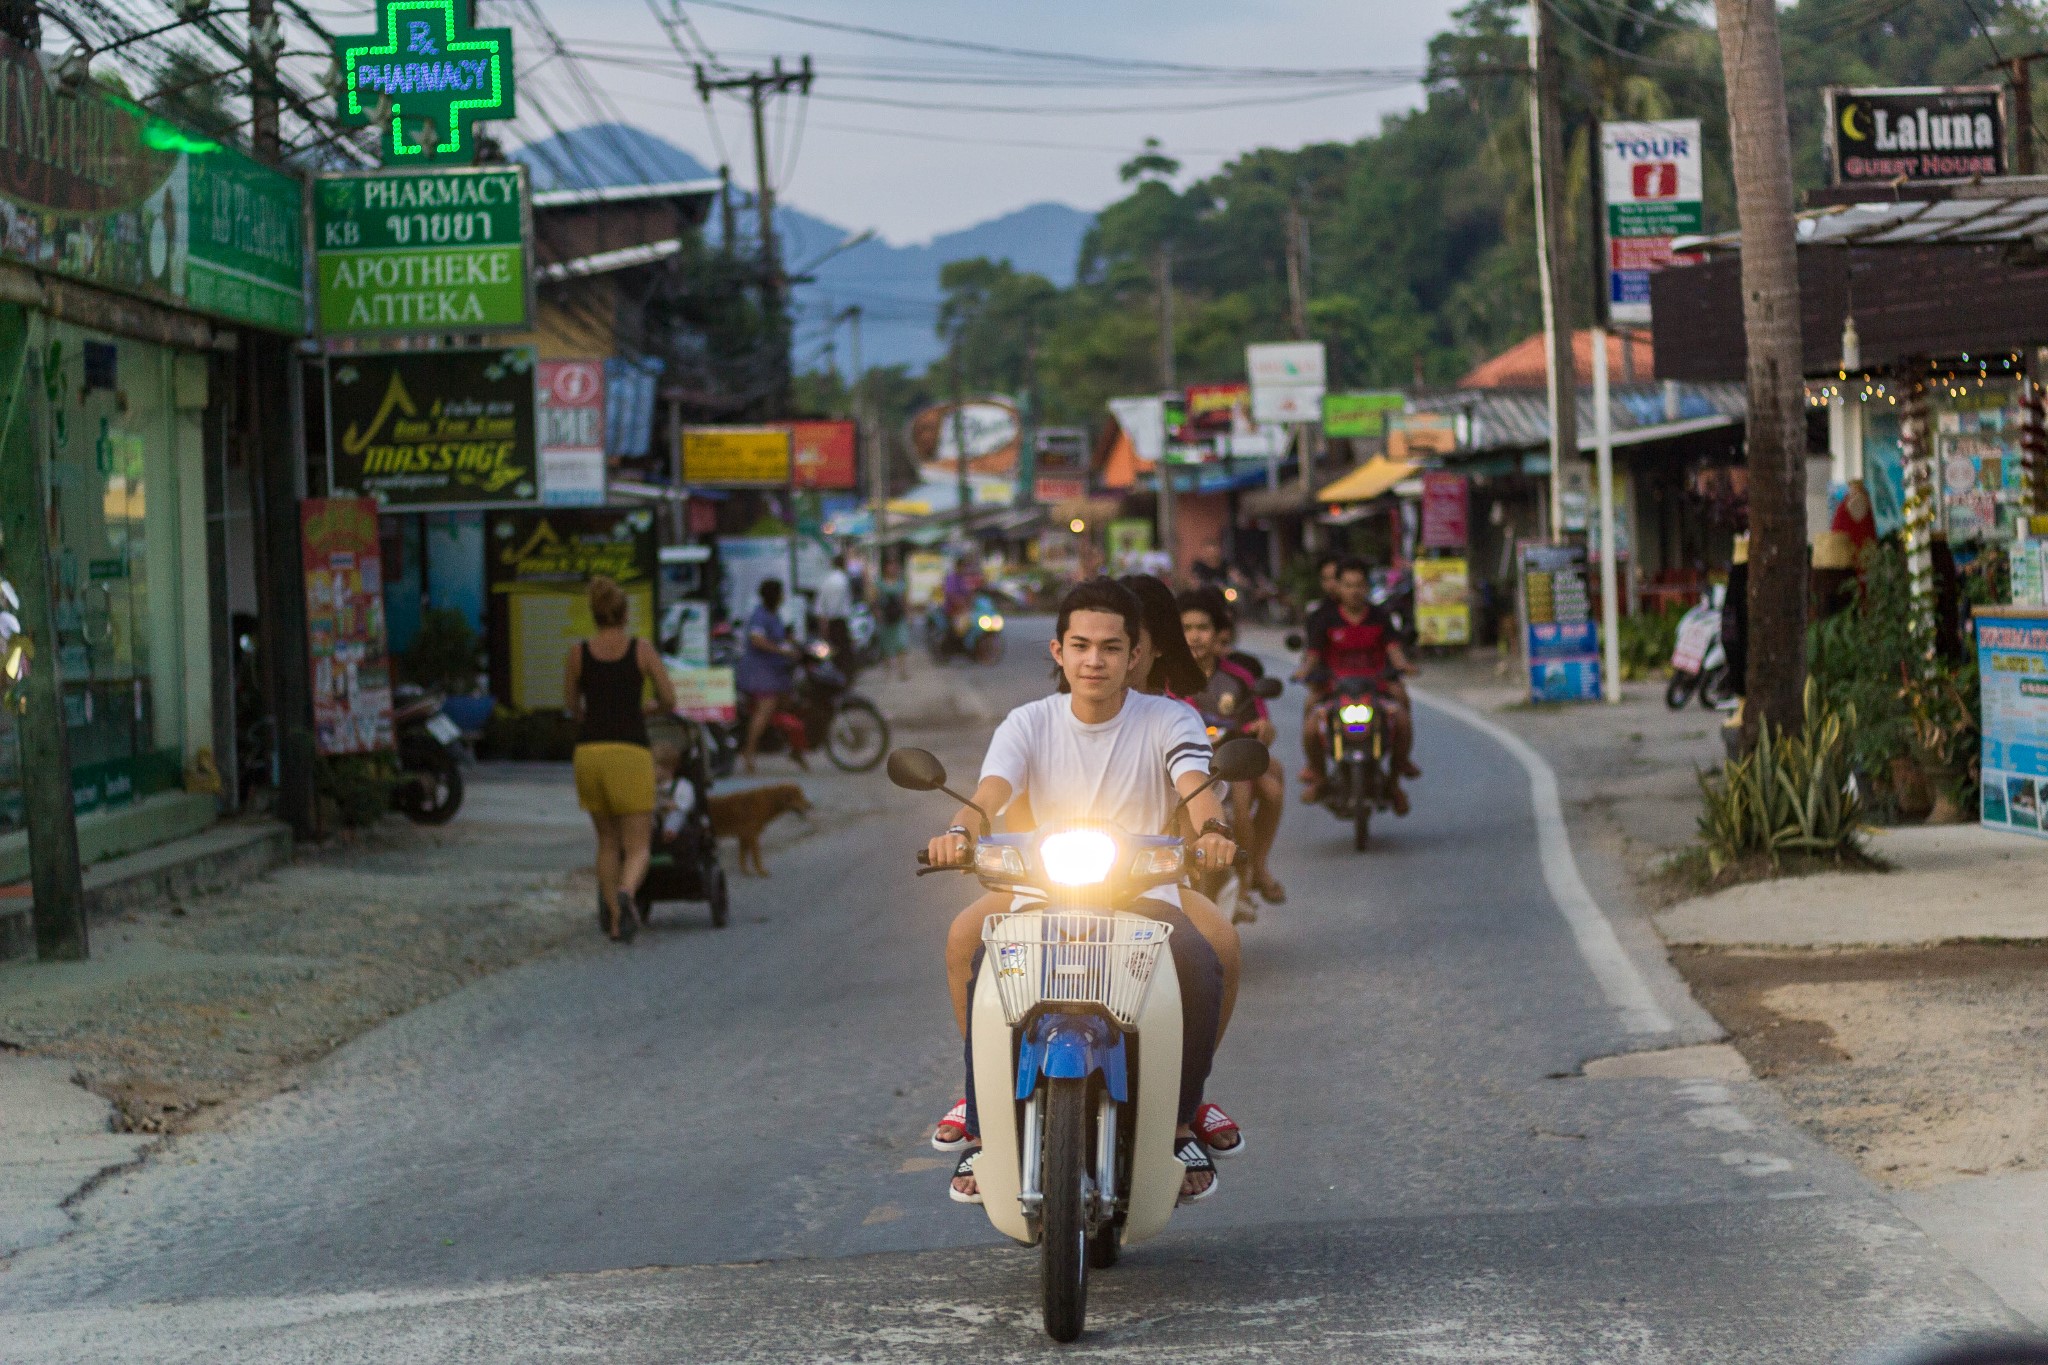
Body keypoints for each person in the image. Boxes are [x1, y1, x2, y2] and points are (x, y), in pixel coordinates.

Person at [926, 578, 1237, 1206]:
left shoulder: (1169, 717)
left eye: (1110, 648)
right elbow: (990, 794)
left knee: (1206, 960)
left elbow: (1193, 780)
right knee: (973, 946)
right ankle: (984, 1116)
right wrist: (958, 832)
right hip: (1044, 892)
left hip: (1143, 893)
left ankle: (1180, 1117)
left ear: (1134, 656)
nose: (1094, 660)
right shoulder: (1027, 722)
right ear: (1058, 651)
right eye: (1081, 646)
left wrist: (1211, 829)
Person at [565, 575, 679, 942]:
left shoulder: (578, 653)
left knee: (607, 842)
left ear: (594, 614)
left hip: (589, 755)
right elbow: (669, 700)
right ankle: (628, 893)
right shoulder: (641, 650)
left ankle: (615, 921)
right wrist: (646, 709)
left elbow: (572, 707)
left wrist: (595, 715)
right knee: (639, 846)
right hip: (629, 752)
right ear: (624, 613)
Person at [1179, 587, 1287, 907]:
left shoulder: (1239, 677)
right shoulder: (1166, 679)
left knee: (1269, 792)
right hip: (1185, 767)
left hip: (1232, 761)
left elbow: (1262, 727)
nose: (1195, 636)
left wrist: (1262, 731)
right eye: (1187, 629)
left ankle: (1254, 870)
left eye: (1203, 628)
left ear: (1217, 635)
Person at [1300, 558, 1420, 812]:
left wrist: (1404, 666)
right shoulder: (1325, 619)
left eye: (1359, 585)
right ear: (1339, 588)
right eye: (1348, 585)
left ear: (1367, 588)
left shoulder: (1380, 616)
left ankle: (1397, 777)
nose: (1354, 591)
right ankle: (1318, 775)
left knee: (1401, 715)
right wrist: (1304, 671)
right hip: (1336, 688)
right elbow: (1313, 655)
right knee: (1311, 724)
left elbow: (1394, 650)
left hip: (1376, 686)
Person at [737, 578, 803, 776]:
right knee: (764, 711)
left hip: (774, 669)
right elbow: (757, 640)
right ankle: (749, 754)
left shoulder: (774, 615)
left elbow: (781, 637)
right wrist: (781, 651)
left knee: (789, 705)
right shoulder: (760, 616)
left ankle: (794, 748)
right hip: (760, 671)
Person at [815, 554, 855, 674]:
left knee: (834, 651)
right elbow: (847, 604)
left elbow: (820, 607)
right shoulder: (844, 579)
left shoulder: (826, 580)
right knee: (844, 651)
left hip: (830, 622)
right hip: (841, 621)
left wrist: (823, 626)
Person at [874, 555, 912, 681]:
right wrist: (877, 613)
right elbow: (874, 600)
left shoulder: (901, 583)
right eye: (891, 566)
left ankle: (902, 670)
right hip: (886, 618)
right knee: (886, 646)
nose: (893, 568)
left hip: (898, 617)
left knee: (902, 643)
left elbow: (905, 600)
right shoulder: (879, 583)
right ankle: (887, 671)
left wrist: (908, 614)